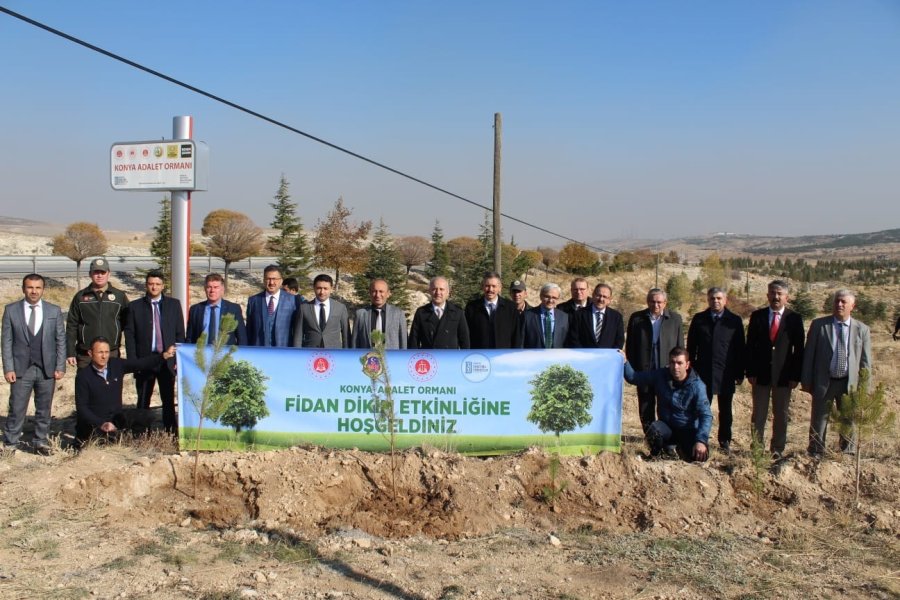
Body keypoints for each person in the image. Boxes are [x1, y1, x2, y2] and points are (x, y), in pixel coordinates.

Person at [801, 290, 872, 456]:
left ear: (852, 306)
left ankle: (848, 452)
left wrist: (865, 387)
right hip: (824, 381)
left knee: (848, 419)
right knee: (819, 418)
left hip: (849, 383)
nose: (839, 305)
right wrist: (806, 380)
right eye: (836, 302)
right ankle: (815, 451)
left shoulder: (862, 329)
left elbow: (865, 361)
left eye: (843, 302)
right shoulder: (819, 325)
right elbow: (809, 354)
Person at [1, 274, 66, 453]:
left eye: (38, 288)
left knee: (44, 408)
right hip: (21, 369)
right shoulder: (11, 310)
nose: (34, 291)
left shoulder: (53, 311)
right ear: (23, 289)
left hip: (47, 369)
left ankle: (40, 442)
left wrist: (60, 366)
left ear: (43, 289)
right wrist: (8, 368)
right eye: (30, 287)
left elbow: (60, 340)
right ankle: (10, 443)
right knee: (17, 407)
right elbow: (6, 342)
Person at [745, 280, 805, 460]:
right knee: (759, 414)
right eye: (772, 293)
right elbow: (750, 346)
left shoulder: (794, 319)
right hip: (760, 375)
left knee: (781, 414)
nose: (775, 297)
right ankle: (757, 447)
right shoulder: (757, 316)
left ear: (786, 297)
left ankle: (777, 449)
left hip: (784, 377)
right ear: (767, 295)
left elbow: (799, 350)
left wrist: (795, 375)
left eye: (779, 294)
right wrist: (751, 372)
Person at [75, 337, 175, 444]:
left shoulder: (116, 365)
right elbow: (82, 408)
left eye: (107, 352)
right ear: (90, 353)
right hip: (96, 422)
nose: (104, 356)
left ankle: (134, 444)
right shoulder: (83, 376)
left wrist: (163, 356)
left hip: (115, 418)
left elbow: (140, 364)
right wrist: (101, 423)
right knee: (98, 438)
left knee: (144, 416)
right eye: (100, 352)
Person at [623, 347, 711, 462]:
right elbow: (633, 377)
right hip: (667, 428)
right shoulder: (660, 375)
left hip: (688, 430)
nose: (675, 367)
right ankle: (657, 455)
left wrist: (701, 441)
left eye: (680, 363)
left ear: (687, 364)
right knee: (654, 429)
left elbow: (706, 415)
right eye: (672, 362)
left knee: (699, 457)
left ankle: (678, 450)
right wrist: (624, 362)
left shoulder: (697, 386)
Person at [124, 271, 185, 434]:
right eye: (151, 284)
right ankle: (141, 432)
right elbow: (129, 335)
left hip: (167, 359)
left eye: (158, 284)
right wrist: (133, 362)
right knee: (143, 398)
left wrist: (178, 359)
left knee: (168, 399)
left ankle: (171, 431)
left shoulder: (173, 305)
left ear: (163, 286)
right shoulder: (135, 307)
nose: (154, 287)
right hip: (145, 360)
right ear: (146, 285)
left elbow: (180, 333)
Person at [686, 287, 745, 453]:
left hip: (726, 372)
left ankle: (724, 441)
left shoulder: (734, 320)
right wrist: (690, 371)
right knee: (701, 409)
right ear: (708, 300)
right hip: (703, 373)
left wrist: (740, 373)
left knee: (725, 411)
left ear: (725, 300)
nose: (715, 301)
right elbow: (691, 347)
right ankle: (699, 439)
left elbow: (740, 348)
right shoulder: (699, 319)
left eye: (719, 298)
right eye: (712, 298)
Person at [625, 288, 684, 433]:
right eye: (652, 301)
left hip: (666, 370)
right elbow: (631, 345)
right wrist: (633, 367)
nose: (655, 305)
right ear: (647, 301)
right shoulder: (637, 318)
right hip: (644, 369)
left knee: (667, 404)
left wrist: (679, 369)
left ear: (665, 303)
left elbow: (680, 346)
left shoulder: (675, 319)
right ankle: (651, 437)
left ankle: (666, 437)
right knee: (645, 404)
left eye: (659, 302)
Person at [66, 257, 130, 368]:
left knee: (111, 384)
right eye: (96, 272)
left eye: (102, 272)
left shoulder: (119, 296)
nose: (99, 275)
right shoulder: (80, 297)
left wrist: (113, 333)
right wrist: (70, 352)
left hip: (111, 353)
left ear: (108, 274)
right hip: (86, 354)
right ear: (90, 274)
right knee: (86, 384)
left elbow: (127, 322)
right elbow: (72, 325)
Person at [409, 276, 470, 349]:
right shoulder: (421, 312)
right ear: (429, 291)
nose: (438, 292)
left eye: (441, 289)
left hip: (450, 359)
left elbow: (465, 342)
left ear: (448, 292)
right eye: (434, 289)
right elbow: (414, 341)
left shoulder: (457, 312)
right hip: (429, 358)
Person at [186, 273, 247, 346]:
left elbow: (242, 338)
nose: (212, 290)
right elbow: (190, 338)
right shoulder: (195, 310)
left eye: (216, 287)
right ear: (205, 289)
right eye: (209, 287)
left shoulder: (233, 309)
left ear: (222, 289)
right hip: (201, 355)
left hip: (225, 355)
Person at [465, 271, 520, 349]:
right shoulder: (471, 308)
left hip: (503, 356)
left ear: (500, 288)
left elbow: (516, 336)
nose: (490, 289)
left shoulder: (511, 308)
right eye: (487, 286)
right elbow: (467, 336)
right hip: (480, 357)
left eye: (494, 286)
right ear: (482, 287)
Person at [246, 265, 298, 347]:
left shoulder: (293, 300)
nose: (271, 283)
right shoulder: (253, 301)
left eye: (274, 279)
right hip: (259, 352)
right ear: (263, 280)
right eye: (268, 279)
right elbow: (249, 330)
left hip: (284, 352)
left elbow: (297, 329)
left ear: (281, 281)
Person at [293, 274, 350, 348]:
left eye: (325, 288)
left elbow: (346, 336)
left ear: (331, 289)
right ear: (314, 288)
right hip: (310, 354)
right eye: (319, 288)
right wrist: (297, 354)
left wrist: (346, 355)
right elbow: (298, 336)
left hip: (334, 354)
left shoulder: (340, 308)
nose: (322, 292)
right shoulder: (304, 308)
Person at [565, 283, 625, 350]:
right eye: (598, 295)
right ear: (593, 295)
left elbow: (619, 340)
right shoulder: (579, 314)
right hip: (584, 357)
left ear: (609, 300)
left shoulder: (616, 317)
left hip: (607, 357)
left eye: (604, 297)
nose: (601, 299)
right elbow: (574, 338)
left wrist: (611, 355)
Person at [352, 278, 408, 350]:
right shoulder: (360, 314)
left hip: (391, 360)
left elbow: (403, 343)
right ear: (370, 293)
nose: (377, 295)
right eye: (374, 291)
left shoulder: (398, 314)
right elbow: (355, 343)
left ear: (388, 294)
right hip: (367, 359)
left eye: (381, 291)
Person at [522, 283, 568, 349]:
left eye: (554, 297)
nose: (550, 300)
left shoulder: (564, 317)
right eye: (547, 297)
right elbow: (521, 341)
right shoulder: (527, 316)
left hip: (556, 357)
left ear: (558, 299)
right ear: (541, 296)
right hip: (533, 356)